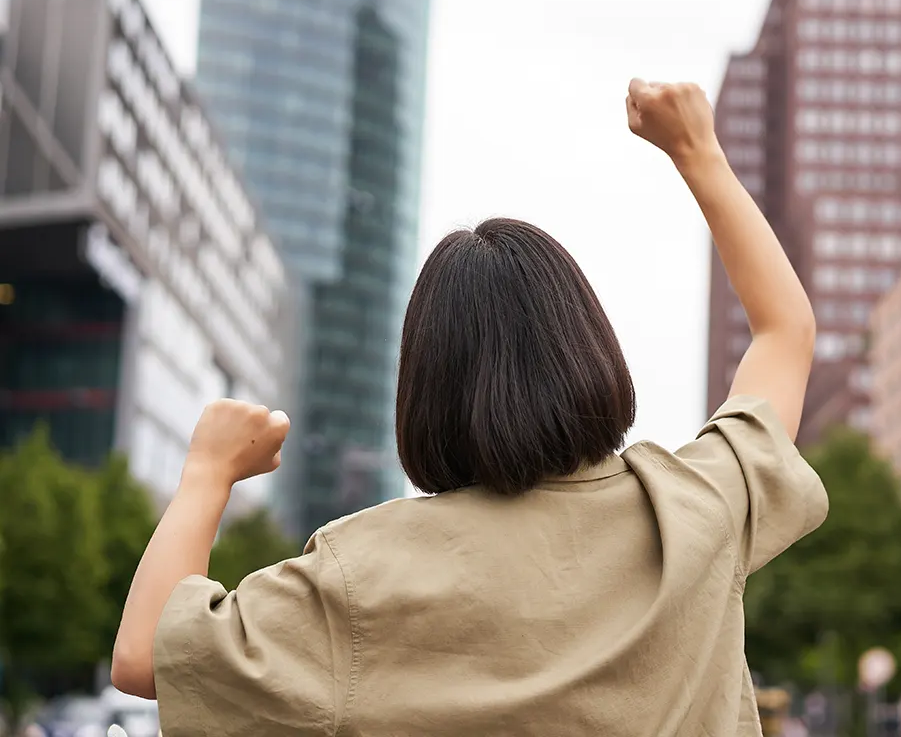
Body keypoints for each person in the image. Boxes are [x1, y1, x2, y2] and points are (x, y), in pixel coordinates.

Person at [111, 79, 829, 735]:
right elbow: (785, 331)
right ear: (588, 349)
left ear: (426, 389)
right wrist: (696, 152)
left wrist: (208, 472)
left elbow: (145, 659)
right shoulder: (695, 508)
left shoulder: (360, 574)